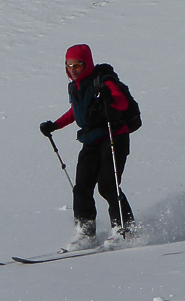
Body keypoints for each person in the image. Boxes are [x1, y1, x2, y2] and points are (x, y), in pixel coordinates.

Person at [39, 43, 135, 249]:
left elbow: (122, 103)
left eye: (77, 65)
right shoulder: (75, 87)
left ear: (87, 64)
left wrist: (109, 98)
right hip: (91, 141)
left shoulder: (103, 81)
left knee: (108, 185)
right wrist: (55, 125)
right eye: (69, 65)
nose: (72, 69)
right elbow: (76, 112)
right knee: (82, 187)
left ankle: (124, 229)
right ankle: (86, 232)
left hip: (113, 137)